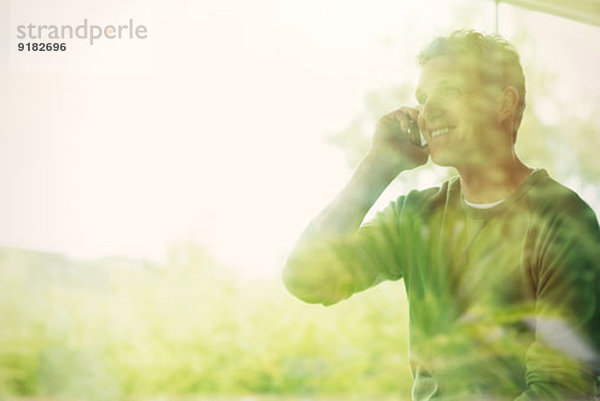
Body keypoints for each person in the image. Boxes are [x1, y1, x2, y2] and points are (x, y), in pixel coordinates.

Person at [282, 30, 600, 401]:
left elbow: (561, 391)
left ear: (503, 104)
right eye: (422, 97)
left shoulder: (564, 221)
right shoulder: (415, 217)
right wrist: (377, 169)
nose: (427, 110)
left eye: (449, 91)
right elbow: (307, 278)